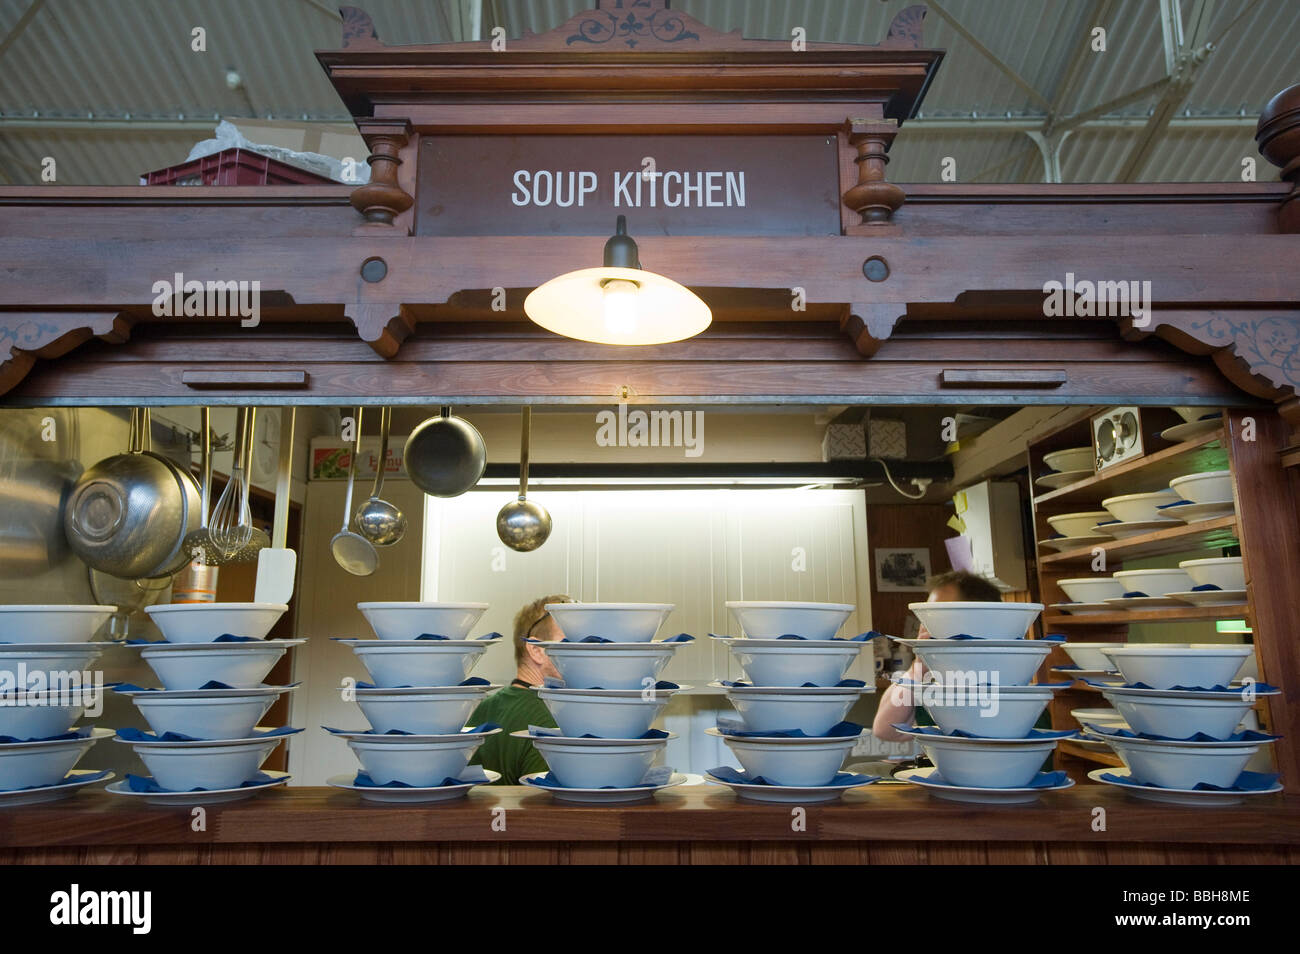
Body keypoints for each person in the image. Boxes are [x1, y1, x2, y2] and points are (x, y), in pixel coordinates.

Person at [871, 570, 1003, 743]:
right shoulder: (933, 671)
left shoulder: (1001, 670)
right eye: (926, 615)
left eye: (938, 613)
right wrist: (919, 664)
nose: (927, 623)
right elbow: (885, 730)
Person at [468, 594, 576, 784]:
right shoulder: (552, 719)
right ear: (536, 650)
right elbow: (546, 808)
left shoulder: (479, 708)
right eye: (570, 642)